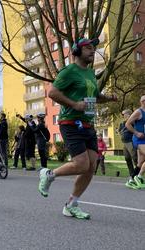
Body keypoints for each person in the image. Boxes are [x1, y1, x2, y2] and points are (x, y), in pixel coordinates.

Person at [38, 37, 117, 219]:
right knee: (81, 164)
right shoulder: (69, 71)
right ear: (76, 51)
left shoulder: (90, 73)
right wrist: (74, 104)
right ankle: (49, 174)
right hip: (71, 123)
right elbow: (52, 92)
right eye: (88, 48)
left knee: (90, 167)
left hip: (88, 124)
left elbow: (95, 96)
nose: (92, 51)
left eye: (93, 48)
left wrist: (109, 98)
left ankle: (71, 204)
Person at [125, 96, 145, 189]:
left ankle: (131, 180)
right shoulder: (138, 112)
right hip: (139, 139)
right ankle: (139, 176)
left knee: (140, 163)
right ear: (142, 102)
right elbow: (127, 124)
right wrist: (136, 133)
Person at [118, 109, 139, 189]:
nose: (124, 116)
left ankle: (137, 175)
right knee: (127, 158)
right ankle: (132, 174)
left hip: (131, 141)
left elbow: (135, 129)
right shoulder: (122, 123)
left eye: (125, 114)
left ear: (129, 114)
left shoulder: (132, 122)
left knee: (135, 158)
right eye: (123, 115)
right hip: (124, 143)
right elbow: (119, 131)